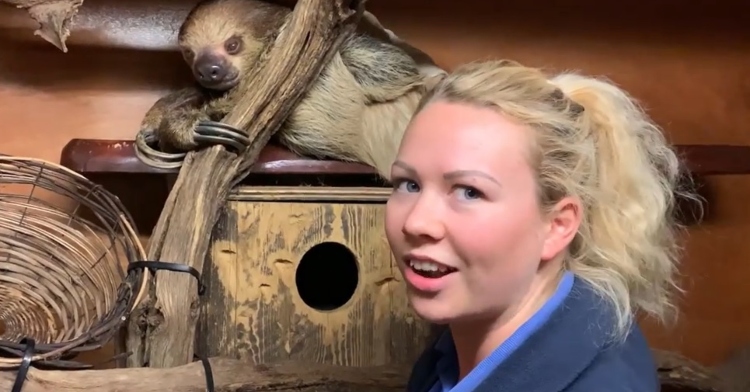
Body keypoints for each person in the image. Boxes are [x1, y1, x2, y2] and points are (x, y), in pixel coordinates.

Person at [384, 59, 694, 392]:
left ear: (557, 226)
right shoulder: (452, 349)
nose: (417, 222)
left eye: (469, 191)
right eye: (408, 184)